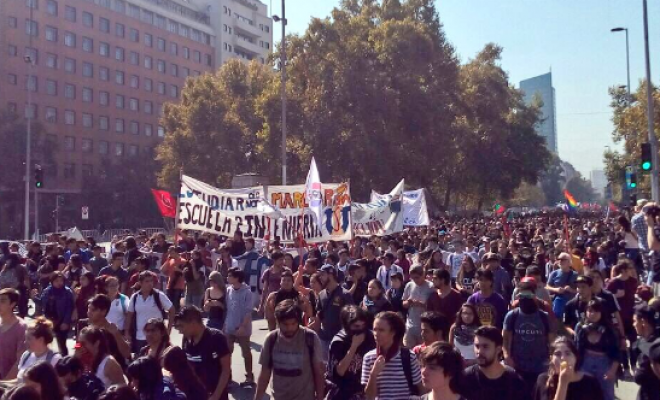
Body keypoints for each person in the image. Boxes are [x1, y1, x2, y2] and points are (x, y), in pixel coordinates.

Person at [254, 299, 325, 400]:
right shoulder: (271, 339)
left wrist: (320, 396)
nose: (289, 328)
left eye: (293, 324)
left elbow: (318, 371)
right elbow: (265, 373)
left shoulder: (310, 338)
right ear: (278, 321)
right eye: (285, 324)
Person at [503, 279, 554, 398]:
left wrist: (552, 361)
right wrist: (507, 357)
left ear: (534, 295)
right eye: (522, 295)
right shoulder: (512, 316)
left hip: (541, 368)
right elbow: (505, 339)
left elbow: (552, 342)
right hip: (518, 367)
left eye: (528, 295)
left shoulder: (544, 317)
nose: (525, 299)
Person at [361, 311, 423, 400]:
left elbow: (422, 389)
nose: (376, 334)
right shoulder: (369, 358)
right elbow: (370, 396)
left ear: (393, 332)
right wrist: (373, 374)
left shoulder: (409, 356)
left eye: (381, 330)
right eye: (374, 329)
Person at [175, 306, 231, 400]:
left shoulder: (217, 338)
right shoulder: (186, 338)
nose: (180, 331)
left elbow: (226, 370)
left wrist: (215, 396)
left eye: (181, 326)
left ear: (193, 323)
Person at [326, 305, 376, 400]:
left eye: (363, 325)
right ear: (347, 325)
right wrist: (354, 346)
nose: (360, 329)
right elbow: (340, 371)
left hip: (364, 391)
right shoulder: (339, 342)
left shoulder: (370, 337)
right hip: (343, 392)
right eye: (356, 326)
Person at [463, 326, 526, 400]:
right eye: (477, 346)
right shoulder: (465, 378)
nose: (479, 352)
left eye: (485, 346)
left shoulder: (514, 381)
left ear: (498, 349)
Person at [574, 299, 619, 400]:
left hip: (604, 362)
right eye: (589, 311)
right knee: (584, 392)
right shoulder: (580, 327)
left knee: (607, 394)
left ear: (602, 312)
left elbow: (616, 352)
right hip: (585, 361)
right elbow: (576, 347)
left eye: (596, 311)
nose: (592, 314)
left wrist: (612, 371)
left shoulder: (609, 329)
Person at [533, 337, 604, 400]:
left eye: (568, 353)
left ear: (575, 358)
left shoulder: (590, 382)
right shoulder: (543, 380)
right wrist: (563, 383)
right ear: (551, 359)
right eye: (558, 354)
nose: (563, 358)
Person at [125, 271, 174, 354]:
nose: (150, 283)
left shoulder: (158, 295)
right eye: (147, 281)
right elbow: (129, 315)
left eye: (151, 281)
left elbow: (172, 310)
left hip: (157, 337)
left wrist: (168, 330)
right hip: (140, 337)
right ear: (140, 283)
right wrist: (127, 333)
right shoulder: (135, 297)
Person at [606, 261, 638, 378]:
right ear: (624, 270)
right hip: (619, 319)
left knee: (634, 342)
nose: (633, 270)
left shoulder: (633, 281)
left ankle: (634, 365)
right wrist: (616, 295)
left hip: (631, 317)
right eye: (630, 268)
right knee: (622, 343)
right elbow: (606, 298)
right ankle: (625, 368)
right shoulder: (613, 283)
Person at [313, 266, 354, 358]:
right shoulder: (321, 294)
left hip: (340, 340)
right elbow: (318, 315)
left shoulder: (345, 294)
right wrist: (318, 332)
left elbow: (351, 317)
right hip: (324, 338)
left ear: (331, 275)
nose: (320, 278)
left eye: (322, 275)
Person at [225, 267, 254, 386]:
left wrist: (243, 326)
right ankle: (228, 376)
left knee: (246, 352)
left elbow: (248, 311)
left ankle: (249, 376)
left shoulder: (247, 292)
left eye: (230, 276)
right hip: (229, 326)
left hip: (243, 328)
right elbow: (227, 309)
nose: (227, 278)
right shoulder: (228, 290)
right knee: (227, 353)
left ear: (237, 278)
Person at [81, 294, 131, 364]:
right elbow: (78, 346)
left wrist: (116, 335)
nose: (89, 312)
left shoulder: (112, 330)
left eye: (93, 310)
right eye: (88, 308)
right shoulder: (82, 325)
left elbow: (127, 354)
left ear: (103, 311)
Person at [38, 272, 74, 356]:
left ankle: (64, 360)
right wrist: (34, 297)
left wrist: (66, 322)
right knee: (45, 340)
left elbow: (69, 308)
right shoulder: (47, 291)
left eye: (61, 280)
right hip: (49, 320)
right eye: (56, 281)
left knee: (62, 342)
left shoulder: (67, 292)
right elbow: (41, 303)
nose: (59, 283)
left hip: (62, 320)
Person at [16, 317, 61, 383]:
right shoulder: (26, 355)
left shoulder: (54, 359)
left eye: (29, 338)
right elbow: (18, 382)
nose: (25, 342)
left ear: (41, 340)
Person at [402, 265, 434, 347]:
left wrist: (421, 304)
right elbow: (403, 304)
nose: (415, 280)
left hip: (424, 326)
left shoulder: (431, 287)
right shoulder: (409, 285)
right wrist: (408, 302)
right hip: (410, 325)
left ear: (423, 274)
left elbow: (434, 307)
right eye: (413, 278)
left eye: (417, 277)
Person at [0, 288, 27, 380]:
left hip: (9, 383)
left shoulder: (21, 328)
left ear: (12, 304)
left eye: (2, 301)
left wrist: (5, 382)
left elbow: (20, 360)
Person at [547, 252, 578, 320]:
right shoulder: (554, 273)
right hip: (557, 303)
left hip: (571, 303)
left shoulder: (575, 275)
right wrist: (556, 290)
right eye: (559, 259)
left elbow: (580, 290)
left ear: (569, 262)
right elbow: (547, 286)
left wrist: (571, 290)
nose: (560, 261)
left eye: (563, 259)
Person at [160, 247, 185, 313]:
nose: (170, 254)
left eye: (172, 252)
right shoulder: (170, 260)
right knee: (169, 305)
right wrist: (167, 260)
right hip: (170, 285)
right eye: (169, 253)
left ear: (176, 252)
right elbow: (162, 270)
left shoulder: (183, 261)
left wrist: (178, 270)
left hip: (178, 285)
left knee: (175, 304)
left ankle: (176, 319)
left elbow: (186, 273)